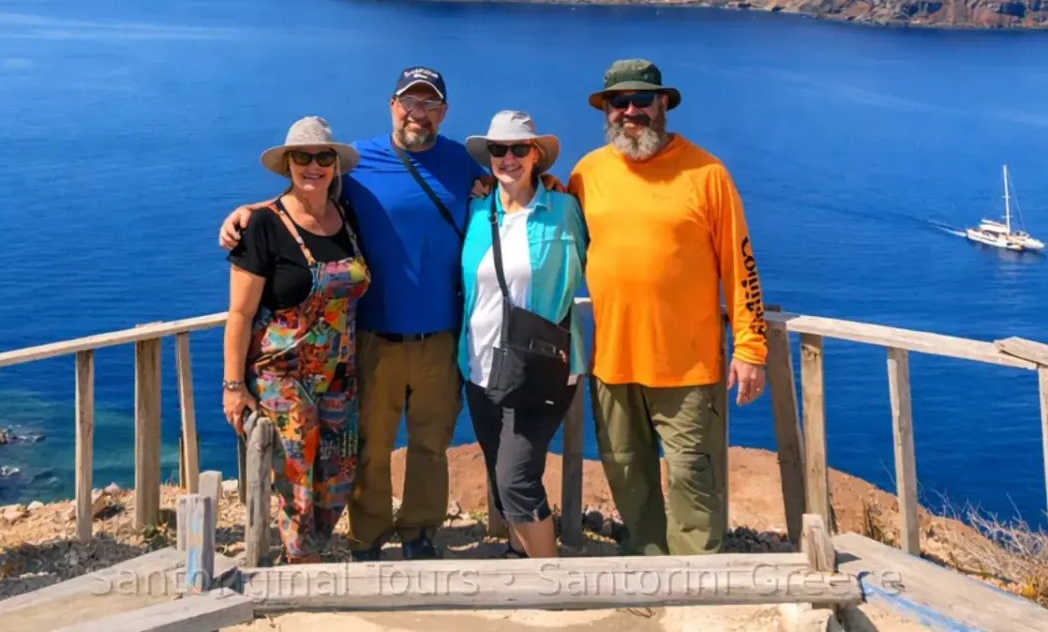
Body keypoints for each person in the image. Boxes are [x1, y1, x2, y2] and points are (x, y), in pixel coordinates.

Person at [219, 67, 478, 560]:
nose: (417, 113)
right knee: (368, 449)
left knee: (430, 444)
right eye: (409, 102)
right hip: (372, 339)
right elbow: (302, 196)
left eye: (429, 104)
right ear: (392, 105)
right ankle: (367, 538)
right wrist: (248, 211)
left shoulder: (464, 165)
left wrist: (547, 178)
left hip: (442, 337)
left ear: (443, 111)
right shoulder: (358, 163)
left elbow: (513, 187)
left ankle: (420, 532)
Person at [567, 59, 768, 556]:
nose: (631, 111)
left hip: (688, 366)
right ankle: (648, 570)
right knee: (625, 472)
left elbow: (739, 266)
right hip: (611, 362)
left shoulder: (707, 173)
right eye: (620, 102)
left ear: (663, 104)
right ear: (606, 110)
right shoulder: (586, 173)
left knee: (691, 478)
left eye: (642, 100)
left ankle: (695, 587)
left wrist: (751, 346)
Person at [222, 116, 370, 564]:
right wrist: (233, 385)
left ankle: (315, 549)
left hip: (339, 374)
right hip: (282, 376)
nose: (313, 165)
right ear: (288, 163)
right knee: (296, 476)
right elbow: (241, 314)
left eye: (323, 157)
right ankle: (303, 566)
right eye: (302, 157)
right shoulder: (262, 226)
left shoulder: (345, 217)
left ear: (335, 166)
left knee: (340, 471)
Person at [458, 110, 587, 559]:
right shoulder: (476, 210)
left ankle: (549, 578)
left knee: (517, 478)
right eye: (499, 149)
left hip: (542, 366)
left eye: (519, 149)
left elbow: (610, 257)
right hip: (479, 367)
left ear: (537, 156)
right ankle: (520, 555)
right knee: (500, 472)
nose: (508, 158)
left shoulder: (565, 210)